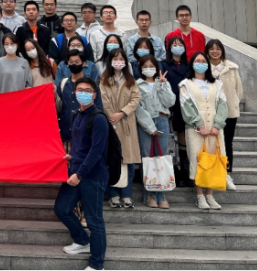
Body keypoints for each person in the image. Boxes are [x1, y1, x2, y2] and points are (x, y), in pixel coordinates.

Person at [54, 76, 108, 271]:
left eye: (88, 91)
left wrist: (80, 174)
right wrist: (72, 157)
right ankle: (82, 240)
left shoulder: (99, 118)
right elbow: (81, 146)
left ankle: (97, 264)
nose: (83, 93)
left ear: (94, 95)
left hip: (92, 175)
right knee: (62, 209)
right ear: (74, 93)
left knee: (94, 221)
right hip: (75, 171)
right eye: (80, 90)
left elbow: (96, 151)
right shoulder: (77, 115)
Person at [179, 52, 228, 211]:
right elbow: (186, 106)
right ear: (192, 64)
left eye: (203, 61)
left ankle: (210, 195)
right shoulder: (186, 84)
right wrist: (199, 125)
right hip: (195, 130)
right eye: (197, 61)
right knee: (197, 161)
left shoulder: (217, 84)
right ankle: (200, 196)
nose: (200, 63)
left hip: (214, 128)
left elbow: (222, 104)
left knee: (213, 160)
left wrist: (217, 125)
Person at [99, 48, 141, 209]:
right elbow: (103, 99)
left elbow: (136, 98)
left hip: (127, 123)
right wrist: (112, 116)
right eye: (115, 59)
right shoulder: (104, 79)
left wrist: (122, 113)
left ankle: (127, 195)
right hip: (110, 123)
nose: (118, 62)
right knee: (112, 160)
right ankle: (113, 195)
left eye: (121, 59)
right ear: (110, 61)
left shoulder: (130, 79)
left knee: (128, 161)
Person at [134, 55, 176, 209]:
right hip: (146, 122)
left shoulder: (163, 82)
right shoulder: (137, 85)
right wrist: (150, 127)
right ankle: (150, 195)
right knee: (148, 157)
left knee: (161, 156)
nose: (148, 69)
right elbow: (138, 108)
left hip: (162, 119)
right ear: (140, 69)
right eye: (145, 66)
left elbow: (170, 102)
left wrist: (162, 86)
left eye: (151, 66)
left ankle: (162, 194)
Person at [206, 39, 243, 192]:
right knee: (212, 143)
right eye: (212, 49)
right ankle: (212, 173)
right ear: (207, 51)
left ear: (222, 51)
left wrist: (233, 103)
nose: (215, 51)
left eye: (218, 49)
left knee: (227, 143)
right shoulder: (204, 67)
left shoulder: (232, 68)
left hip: (229, 112)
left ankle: (227, 174)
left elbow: (238, 89)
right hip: (211, 112)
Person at [56, 49, 103, 152]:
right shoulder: (63, 84)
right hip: (66, 135)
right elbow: (59, 109)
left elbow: (99, 109)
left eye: (77, 62)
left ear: (83, 63)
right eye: (71, 62)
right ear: (67, 64)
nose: (74, 64)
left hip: (86, 134)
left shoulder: (92, 85)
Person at [161, 36, 191, 188]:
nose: (177, 46)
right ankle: (175, 173)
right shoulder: (164, 65)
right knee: (171, 142)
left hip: (186, 106)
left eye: (180, 44)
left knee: (184, 138)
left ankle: (186, 172)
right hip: (171, 106)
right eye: (174, 44)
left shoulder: (189, 65)